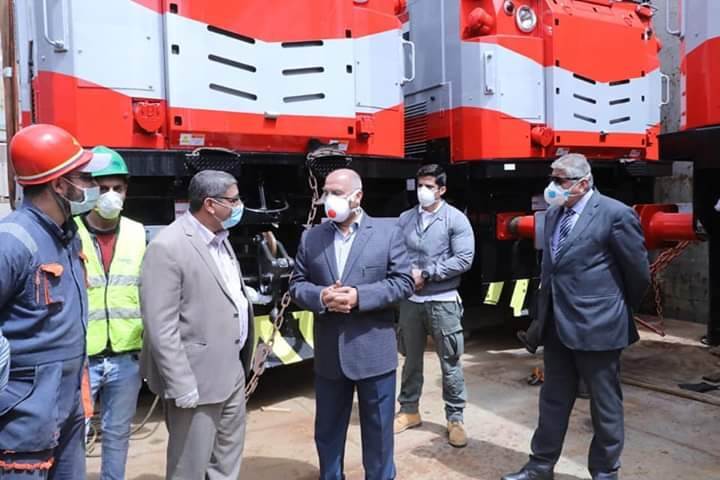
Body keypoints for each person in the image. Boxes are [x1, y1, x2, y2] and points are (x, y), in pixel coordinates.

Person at [502, 153, 650, 480]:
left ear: (583, 184)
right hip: (557, 324)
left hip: (599, 326)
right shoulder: (554, 214)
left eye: (560, 180)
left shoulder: (615, 214)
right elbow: (551, 269)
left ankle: (605, 472)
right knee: (552, 400)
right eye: (551, 178)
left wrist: (614, 310)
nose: (552, 186)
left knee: (604, 405)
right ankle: (540, 466)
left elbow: (638, 273)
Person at [289, 168, 414, 480]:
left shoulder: (388, 233)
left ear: (357, 197)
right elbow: (296, 284)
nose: (328, 199)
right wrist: (321, 296)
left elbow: (403, 283)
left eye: (337, 193)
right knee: (328, 432)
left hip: (374, 353)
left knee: (379, 434)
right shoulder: (312, 237)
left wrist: (360, 296)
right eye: (326, 192)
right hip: (330, 355)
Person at [0, 123, 109, 478]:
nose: (93, 187)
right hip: (22, 421)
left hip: (67, 410)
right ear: (59, 184)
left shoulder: (69, 235)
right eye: (85, 178)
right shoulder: (12, 243)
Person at [140, 170, 254, 480]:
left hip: (231, 373)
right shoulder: (168, 246)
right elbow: (160, 326)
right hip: (195, 381)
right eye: (234, 200)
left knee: (226, 463)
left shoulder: (221, 239)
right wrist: (180, 383)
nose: (239, 206)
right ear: (210, 204)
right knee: (188, 468)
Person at [76, 147, 145, 480]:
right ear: (90, 190)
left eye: (117, 188)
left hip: (126, 356)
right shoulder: (71, 232)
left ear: (126, 191)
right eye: (103, 188)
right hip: (82, 359)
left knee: (117, 435)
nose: (111, 195)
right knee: (74, 436)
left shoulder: (137, 232)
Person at [394, 164, 475, 447]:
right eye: (420, 185)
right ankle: (409, 410)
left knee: (450, 362)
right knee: (410, 360)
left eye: (429, 186)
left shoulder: (455, 220)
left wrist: (427, 274)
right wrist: (405, 276)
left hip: (443, 300)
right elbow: (394, 253)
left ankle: (455, 418)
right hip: (411, 301)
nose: (423, 191)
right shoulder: (405, 219)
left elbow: (463, 259)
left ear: (442, 189)